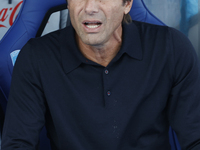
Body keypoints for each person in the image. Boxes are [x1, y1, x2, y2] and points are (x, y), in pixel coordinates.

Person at [2, 0, 200, 149]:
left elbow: (195, 138)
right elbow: (18, 144)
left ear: (127, 4)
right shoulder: (36, 57)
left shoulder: (171, 48)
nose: (90, 7)